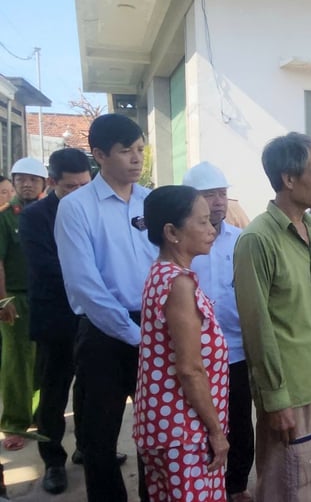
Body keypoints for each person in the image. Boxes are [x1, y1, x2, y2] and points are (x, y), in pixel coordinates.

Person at [233, 132, 311, 501]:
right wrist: (275, 398)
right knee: (287, 485)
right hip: (288, 390)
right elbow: (257, 327)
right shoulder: (257, 240)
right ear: (288, 179)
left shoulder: (310, 227)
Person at [55, 114, 156, 502]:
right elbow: (86, 287)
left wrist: (157, 331)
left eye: (140, 150)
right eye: (126, 151)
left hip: (153, 327)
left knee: (155, 434)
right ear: (99, 154)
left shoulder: (152, 202)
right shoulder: (77, 208)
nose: (137, 159)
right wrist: (136, 336)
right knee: (99, 438)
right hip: (102, 334)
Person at [134, 185, 229, 502]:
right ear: (172, 232)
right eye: (201, 222)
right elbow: (189, 369)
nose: (211, 229)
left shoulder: (163, 274)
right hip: (185, 433)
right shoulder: (177, 283)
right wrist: (216, 432)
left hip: (168, 428)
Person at [18, 149, 92, 494]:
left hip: (91, 318)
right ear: (53, 183)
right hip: (56, 319)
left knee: (91, 390)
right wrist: (91, 280)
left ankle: (85, 449)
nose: (79, 193)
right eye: (70, 187)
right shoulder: (35, 217)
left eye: (84, 185)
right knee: (53, 395)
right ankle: (52, 461)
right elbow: (47, 268)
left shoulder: (95, 208)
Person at [183, 162, 254, 502]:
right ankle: (202, 486)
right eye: (209, 195)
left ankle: (236, 486)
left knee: (239, 422)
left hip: (236, 350)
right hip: (191, 354)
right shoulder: (179, 245)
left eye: (222, 194)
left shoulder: (242, 240)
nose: (218, 202)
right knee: (198, 424)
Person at [0, 157, 47, 451]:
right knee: (17, 363)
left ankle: (41, 416)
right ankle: (15, 423)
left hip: (47, 298)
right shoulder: (5, 217)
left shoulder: (49, 213)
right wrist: (3, 299)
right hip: (17, 298)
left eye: (32, 179)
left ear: (44, 183)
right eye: (21, 179)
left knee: (45, 361)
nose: (26, 184)